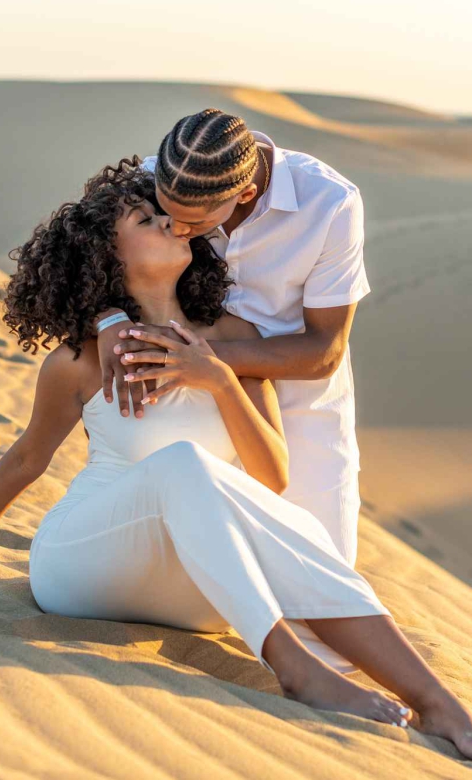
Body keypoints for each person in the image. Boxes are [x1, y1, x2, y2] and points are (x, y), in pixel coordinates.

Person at [0, 160, 472, 765]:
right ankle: (294, 668)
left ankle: (436, 701)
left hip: (206, 597)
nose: (169, 222)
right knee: (185, 464)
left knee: (291, 523)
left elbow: (272, 475)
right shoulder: (85, 358)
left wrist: (217, 378)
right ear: (107, 256)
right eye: (145, 218)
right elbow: (28, 457)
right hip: (83, 568)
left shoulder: (232, 337)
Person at [95, 109, 371, 673]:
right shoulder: (149, 182)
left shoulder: (330, 204)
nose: (178, 230)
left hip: (300, 406)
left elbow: (324, 350)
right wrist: (103, 321)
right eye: (165, 215)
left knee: (323, 597)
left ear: (245, 192)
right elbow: (77, 254)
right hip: (186, 410)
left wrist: (203, 360)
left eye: (194, 222)